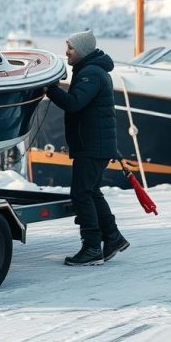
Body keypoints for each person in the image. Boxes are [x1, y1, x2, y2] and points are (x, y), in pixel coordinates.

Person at [45, 29, 129, 266]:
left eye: (70, 48)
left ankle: (92, 247)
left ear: (81, 51)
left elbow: (74, 103)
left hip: (92, 145)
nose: (66, 52)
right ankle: (113, 238)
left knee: (81, 194)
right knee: (91, 192)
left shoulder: (90, 73)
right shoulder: (91, 70)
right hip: (95, 144)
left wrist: (50, 89)